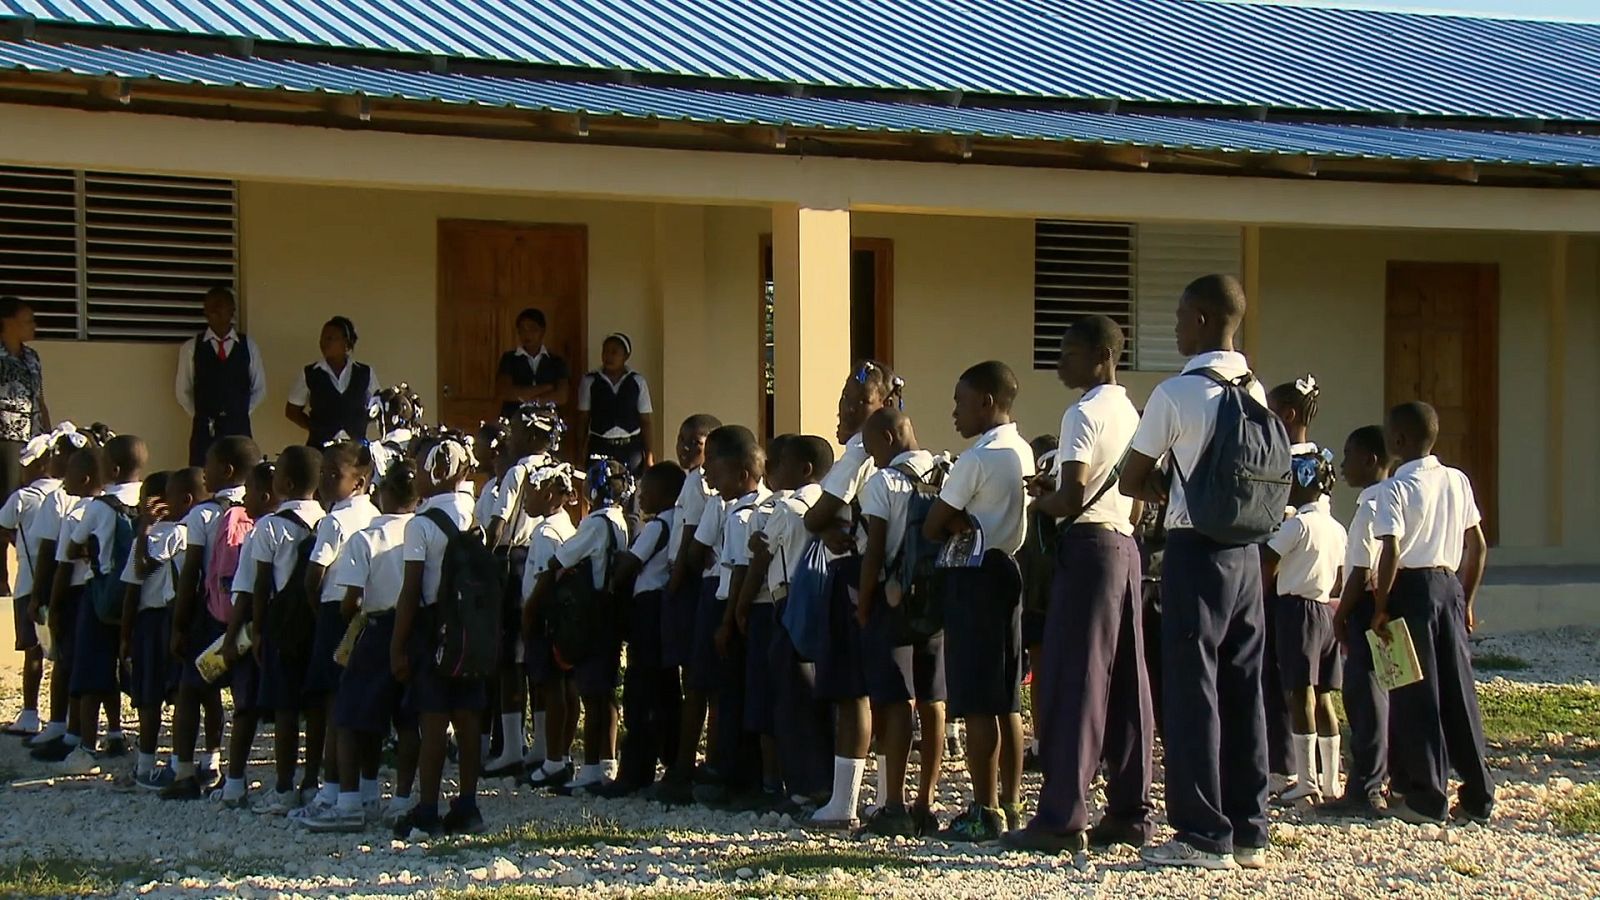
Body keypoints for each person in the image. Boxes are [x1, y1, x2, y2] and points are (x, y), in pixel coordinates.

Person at [1120, 274, 1271, 871]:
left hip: (1195, 550)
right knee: (1243, 688)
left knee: (1192, 691)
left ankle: (1203, 833)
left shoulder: (1176, 393)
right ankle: (1249, 827)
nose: (1176, 326)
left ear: (1204, 319)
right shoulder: (1255, 388)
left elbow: (1132, 477)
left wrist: (1164, 487)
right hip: (1247, 552)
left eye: (1182, 315)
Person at [1005, 316, 1151, 855]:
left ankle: (1063, 816)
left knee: (1076, 680)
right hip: (1125, 546)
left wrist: (1038, 501)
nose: (1060, 363)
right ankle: (1129, 811)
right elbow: (1139, 499)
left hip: (1087, 548)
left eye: (1068, 353)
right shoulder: (1134, 414)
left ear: (1101, 356)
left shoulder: (1082, 413)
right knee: (1128, 683)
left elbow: (1070, 498)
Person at [923, 361, 1034, 841]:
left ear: (986, 402)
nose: (954, 412)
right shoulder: (1022, 451)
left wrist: (954, 521)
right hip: (1009, 568)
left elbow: (933, 524)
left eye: (960, 402)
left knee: (976, 701)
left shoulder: (977, 458)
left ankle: (984, 810)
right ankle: (1011, 802)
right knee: (1007, 696)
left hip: (974, 576)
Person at [1371, 401, 1494, 826]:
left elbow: (1391, 550)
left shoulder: (1394, 488)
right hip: (1449, 585)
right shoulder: (1457, 480)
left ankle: (1426, 796)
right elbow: (1477, 546)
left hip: (1411, 589)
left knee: (1415, 693)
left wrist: (1381, 606)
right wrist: (1467, 599)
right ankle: (1477, 795)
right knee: (1459, 690)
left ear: (1399, 439)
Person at [804, 361, 905, 828]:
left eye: (861, 400)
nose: (846, 407)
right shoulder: (891, 458)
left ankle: (843, 802)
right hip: (884, 578)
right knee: (881, 692)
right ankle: (884, 797)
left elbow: (816, 514)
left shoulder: (859, 453)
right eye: (845, 397)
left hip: (853, 577)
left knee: (852, 693)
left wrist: (822, 526)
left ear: (885, 406)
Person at [301, 460, 423, 832]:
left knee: (351, 715)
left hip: (377, 628)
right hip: (417, 630)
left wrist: (350, 615)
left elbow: (350, 599)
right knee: (407, 720)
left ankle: (349, 801)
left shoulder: (366, 537)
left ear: (381, 492)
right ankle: (401, 800)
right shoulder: (422, 532)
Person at [854, 408, 948, 838]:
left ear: (888, 438)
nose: (871, 456)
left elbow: (875, 549)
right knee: (933, 700)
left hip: (894, 598)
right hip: (935, 599)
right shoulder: (945, 471)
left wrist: (864, 603)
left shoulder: (883, 482)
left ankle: (893, 803)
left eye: (871, 446)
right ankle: (925, 803)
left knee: (895, 700)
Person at [391, 431, 487, 837]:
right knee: (468, 720)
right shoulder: (474, 514)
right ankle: (468, 806)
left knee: (433, 722)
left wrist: (398, 645)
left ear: (435, 472)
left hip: (433, 627)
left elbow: (411, 590)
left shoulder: (421, 524)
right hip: (473, 627)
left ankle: (428, 808)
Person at [293, 442, 378, 821]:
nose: (325, 481)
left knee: (333, 706)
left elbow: (314, 576)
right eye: (323, 473)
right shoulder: (375, 515)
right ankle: (367, 789)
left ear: (359, 482)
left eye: (334, 475)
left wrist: (317, 611)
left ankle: (331, 792)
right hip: (367, 613)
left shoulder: (335, 521)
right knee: (363, 701)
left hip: (334, 612)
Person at [592, 461, 686, 798]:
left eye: (647, 491)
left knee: (640, 690)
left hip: (647, 609)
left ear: (667, 494)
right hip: (666, 610)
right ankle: (672, 758)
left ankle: (635, 771)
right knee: (667, 690)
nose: (641, 497)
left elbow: (631, 563)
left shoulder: (657, 525)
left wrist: (613, 580)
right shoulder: (680, 522)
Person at [751, 435, 835, 808]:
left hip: (789, 604)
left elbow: (763, 554)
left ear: (803, 469)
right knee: (821, 699)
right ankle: (826, 781)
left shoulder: (786, 507)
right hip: (825, 604)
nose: (771, 470)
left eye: (778, 463)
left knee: (790, 698)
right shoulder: (832, 504)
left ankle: (801, 786)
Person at [1261, 450, 1347, 805]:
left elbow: (1268, 560)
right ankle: (1331, 780)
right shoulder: (1336, 528)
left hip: (1296, 610)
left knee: (1300, 694)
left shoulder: (1297, 525)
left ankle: (1306, 778)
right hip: (1325, 609)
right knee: (1324, 695)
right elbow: (1340, 574)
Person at [243, 445, 325, 814]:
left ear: (285, 484)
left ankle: (283, 785)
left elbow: (262, 584)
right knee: (317, 706)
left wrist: (258, 630)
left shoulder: (270, 526)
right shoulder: (327, 520)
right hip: (317, 621)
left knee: (285, 709)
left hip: (282, 623)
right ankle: (312, 782)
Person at [59, 434, 146, 774]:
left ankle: (86, 745)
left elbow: (73, 547)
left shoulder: (98, 506)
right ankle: (118, 733)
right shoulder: (152, 501)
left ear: (112, 469)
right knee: (130, 666)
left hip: (100, 597)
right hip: (136, 597)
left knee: (93, 669)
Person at [551, 458, 635, 793]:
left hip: (592, 613)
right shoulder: (620, 521)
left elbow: (562, 557)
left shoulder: (595, 524)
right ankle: (607, 762)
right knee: (608, 692)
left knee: (591, 693)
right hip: (612, 612)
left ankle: (589, 769)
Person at [1325, 425, 1393, 817]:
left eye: (1349, 455)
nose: (1343, 464)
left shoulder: (1371, 505)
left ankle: (1365, 788)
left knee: (1365, 697)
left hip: (1366, 604)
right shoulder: (1394, 497)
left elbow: (1361, 570)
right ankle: (1381, 779)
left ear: (1370, 460)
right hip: (1383, 600)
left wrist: (1342, 613)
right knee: (1383, 694)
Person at [1262, 374, 1323, 794]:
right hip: (1302, 575)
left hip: (1282, 572)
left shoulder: (1291, 462)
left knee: (1280, 678)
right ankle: (1303, 763)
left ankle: (1285, 763)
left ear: (1286, 415)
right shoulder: (1319, 458)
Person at [32, 444, 109, 765]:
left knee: (72, 665)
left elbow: (62, 563)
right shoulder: (114, 508)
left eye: (70, 474)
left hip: (76, 596)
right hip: (105, 594)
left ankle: (72, 734)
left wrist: (50, 605)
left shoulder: (78, 511)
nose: (64, 480)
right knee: (96, 666)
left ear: (85, 478)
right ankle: (108, 732)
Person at [211, 460, 278, 808]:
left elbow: (246, 591)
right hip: (289, 630)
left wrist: (230, 636)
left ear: (265, 496)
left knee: (245, 708)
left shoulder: (258, 533)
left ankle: (235, 782)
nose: (244, 497)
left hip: (254, 631)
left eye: (249, 491)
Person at [119, 469, 187, 789]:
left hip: (150, 624)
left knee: (149, 698)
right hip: (178, 621)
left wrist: (124, 637)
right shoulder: (188, 533)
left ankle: (145, 766)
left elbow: (134, 588)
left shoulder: (150, 538)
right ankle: (179, 763)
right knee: (178, 695)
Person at [0, 431, 66, 736]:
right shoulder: (67, 494)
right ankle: (62, 716)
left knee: (33, 652)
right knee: (62, 653)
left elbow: (3, 526)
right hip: (63, 583)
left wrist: (16, 542)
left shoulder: (22, 498)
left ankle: (29, 714)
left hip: (29, 583)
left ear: (40, 465)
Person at [521, 462, 581, 790]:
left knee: (552, 688)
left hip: (546, 617)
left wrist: (528, 614)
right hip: (565, 620)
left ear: (548, 494)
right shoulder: (567, 525)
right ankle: (564, 754)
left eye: (529, 493)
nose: (525, 500)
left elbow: (545, 578)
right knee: (567, 687)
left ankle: (553, 760)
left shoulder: (546, 533)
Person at [175, 287, 266, 467]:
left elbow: (259, 388)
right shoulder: (191, 348)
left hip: (239, 429)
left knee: (242, 473)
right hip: (205, 431)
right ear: (205, 312)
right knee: (203, 475)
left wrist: (238, 412)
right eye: (212, 307)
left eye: (221, 306)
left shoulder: (248, 346)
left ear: (232, 311)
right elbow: (183, 391)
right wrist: (203, 415)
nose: (216, 311)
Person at [285, 317, 378, 447]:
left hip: (355, 448)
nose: (324, 343)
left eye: (330, 338)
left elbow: (377, 407)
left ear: (346, 342)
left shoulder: (364, 373)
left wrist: (358, 424)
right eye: (322, 339)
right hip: (320, 448)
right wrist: (315, 428)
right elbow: (292, 410)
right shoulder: (311, 373)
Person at [577, 333, 655, 474]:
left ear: (626, 356)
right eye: (605, 351)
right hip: (600, 447)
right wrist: (580, 452)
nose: (608, 356)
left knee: (629, 486)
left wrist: (649, 456)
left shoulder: (637, 382)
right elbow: (583, 419)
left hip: (630, 449)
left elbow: (645, 421)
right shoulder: (590, 381)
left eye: (614, 352)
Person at [0, 297, 49, 519]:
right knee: (6, 499)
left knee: (31, 499)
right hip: (6, 440)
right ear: (8, 322)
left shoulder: (32, 357)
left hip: (34, 439)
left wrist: (48, 436)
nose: (33, 326)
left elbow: (39, 398)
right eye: (28, 321)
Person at [496, 308, 570, 419]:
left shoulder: (556, 361)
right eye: (522, 329)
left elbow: (561, 396)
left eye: (532, 329)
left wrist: (527, 398)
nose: (527, 334)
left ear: (542, 331)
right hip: (515, 420)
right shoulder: (509, 359)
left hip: (547, 421)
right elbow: (506, 392)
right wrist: (546, 388)